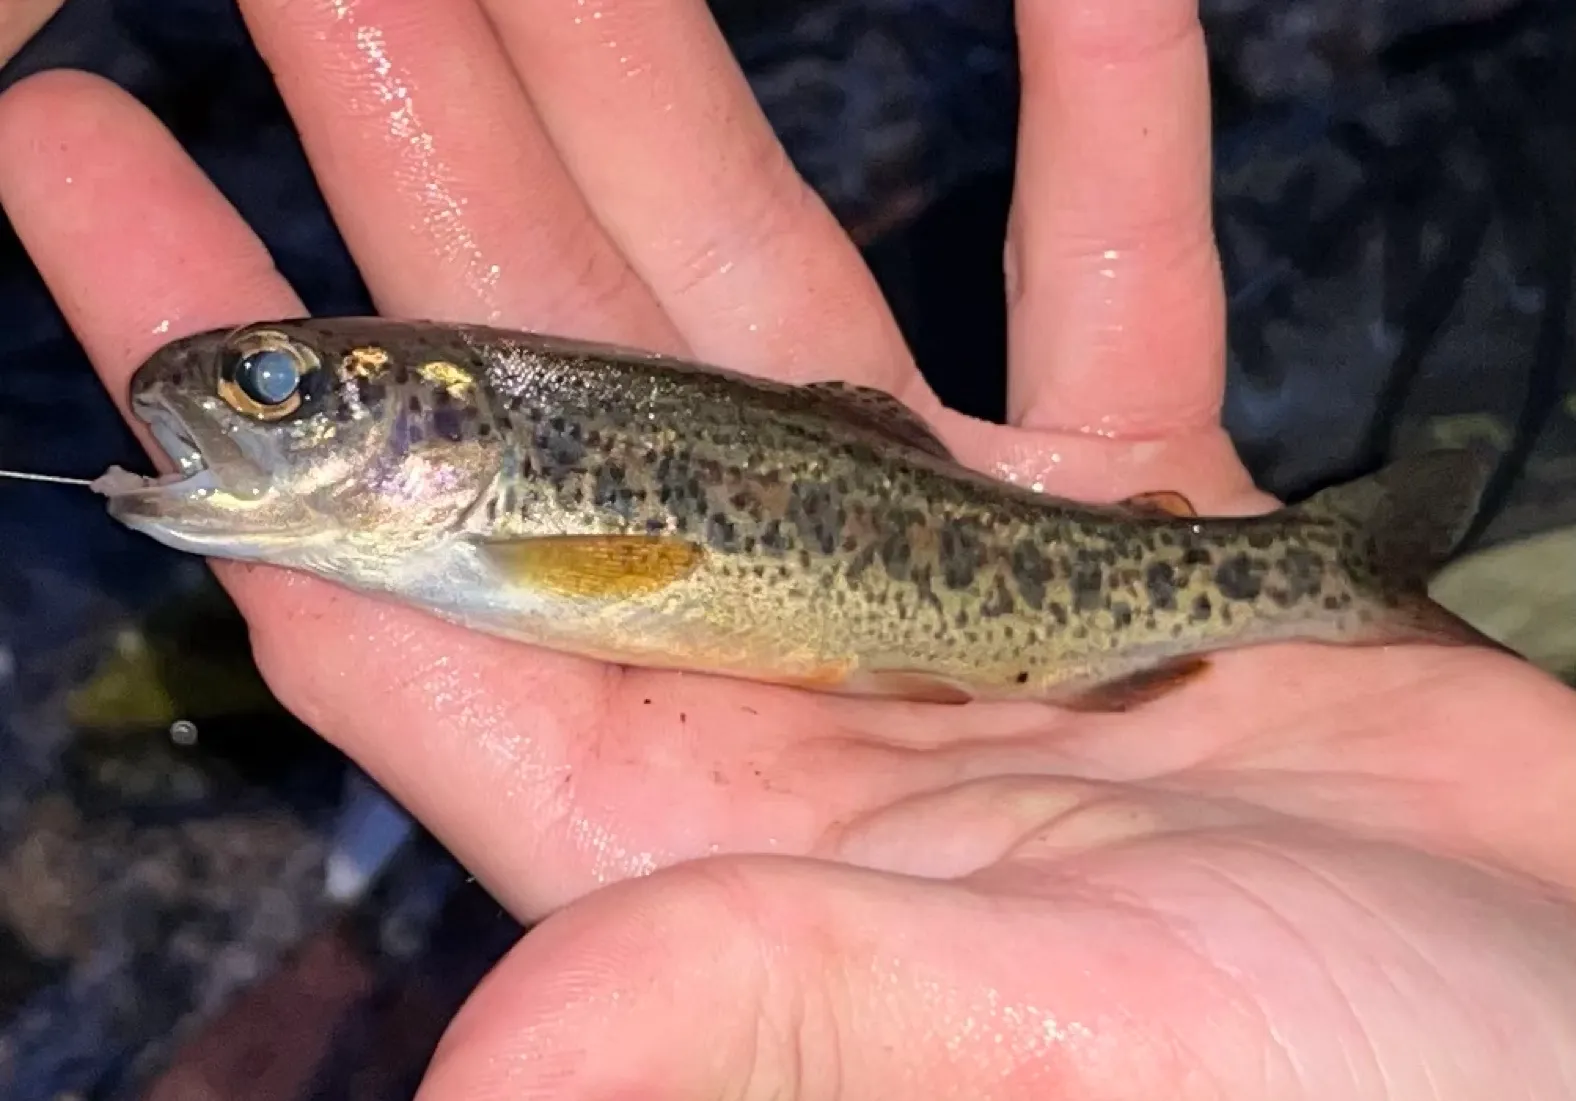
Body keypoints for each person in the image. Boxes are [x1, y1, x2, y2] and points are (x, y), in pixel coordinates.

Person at [1, 1, 1572, 1095]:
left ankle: (1340, 580)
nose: (235, 405)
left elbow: (612, 575)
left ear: (452, 425)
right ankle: (1344, 576)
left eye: (278, 385)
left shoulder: (512, 498)